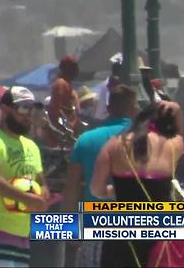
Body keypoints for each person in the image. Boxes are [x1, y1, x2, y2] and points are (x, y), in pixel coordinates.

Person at [91, 100, 184, 267]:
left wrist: (115, 191)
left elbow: (97, 189)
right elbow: (177, 129)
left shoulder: (114, 144)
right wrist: (175, 111)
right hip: (158, 234)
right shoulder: (174, 145)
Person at [62, 85, 138, 267]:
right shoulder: (145, 140)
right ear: (134, 109)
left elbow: (71, 188)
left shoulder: (86, 140)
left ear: (108, 108)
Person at [0, 86, 49, 267]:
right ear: (5, 108)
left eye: (31, 108)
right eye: (23, 108)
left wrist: (43, 197)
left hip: (23, 234)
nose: (28, 115)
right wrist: (25, 197)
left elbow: (41, 181)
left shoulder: (31, 146)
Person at [47, 56, 80, 138]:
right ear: (67, 68)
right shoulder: (60, 84)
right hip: (64, 133)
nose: (77, 70)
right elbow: (54, 111)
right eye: (74, 67)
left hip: (70, 129)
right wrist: (61, 130)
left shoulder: (68, 85)